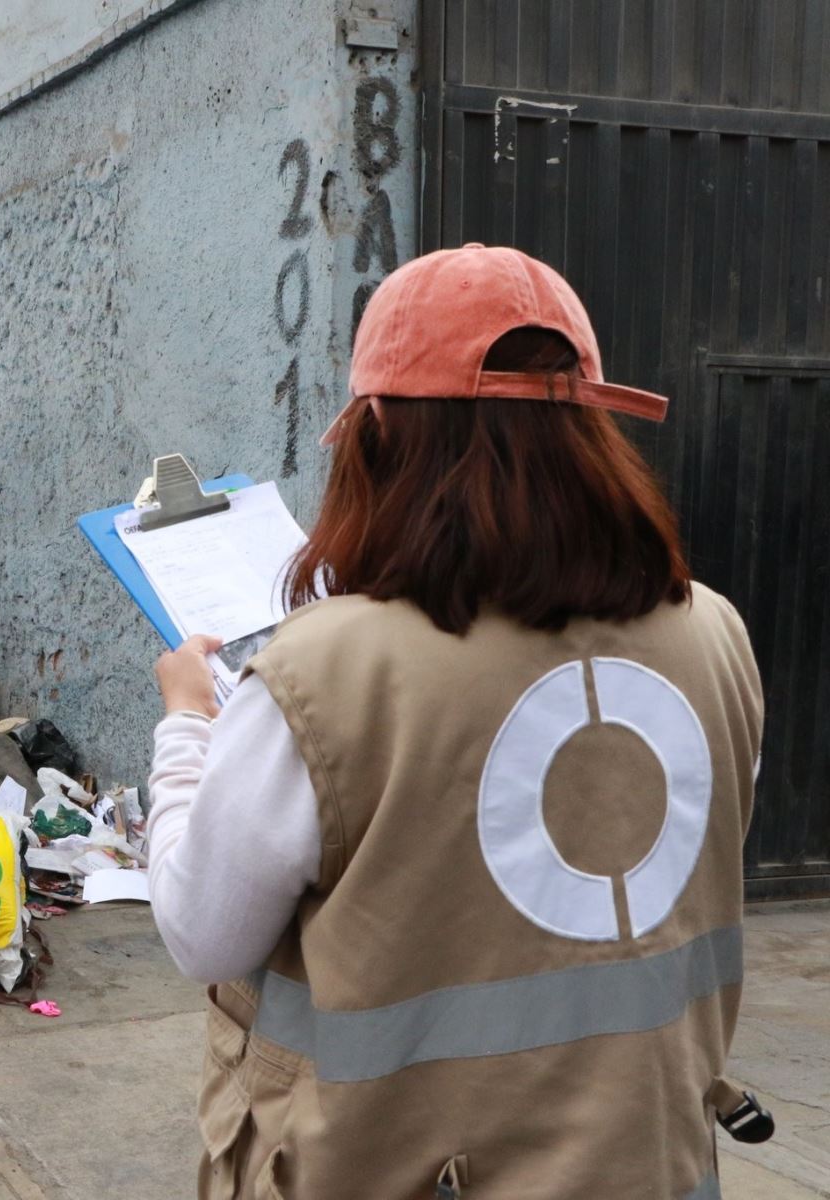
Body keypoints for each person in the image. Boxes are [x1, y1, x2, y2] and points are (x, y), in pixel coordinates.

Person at [147, 245, 765, 1199]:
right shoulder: (717, 633)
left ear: (382, 429)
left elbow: (204, 933)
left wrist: (189, 724)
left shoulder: (323, 671)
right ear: (596, 429)